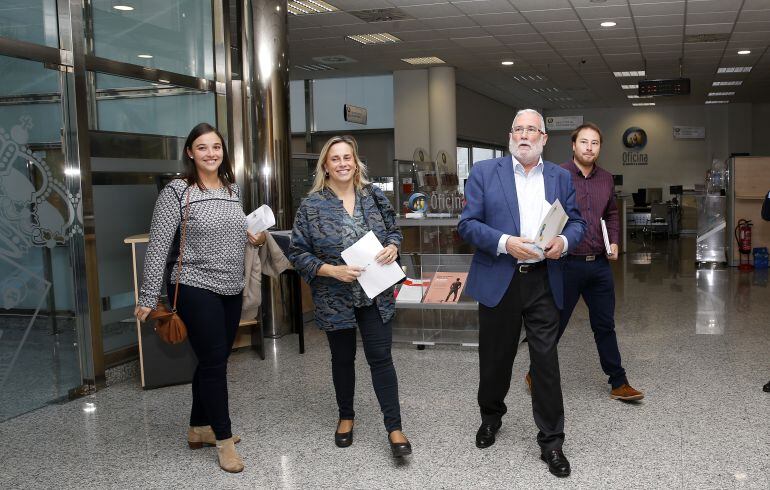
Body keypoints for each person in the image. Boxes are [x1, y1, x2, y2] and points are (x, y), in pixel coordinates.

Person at [458, 109, 585, 478]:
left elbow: (576, 222)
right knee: (495, 359)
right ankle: (491, 417)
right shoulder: (485, 173)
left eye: (532, 129)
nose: (524, 135)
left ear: (544, 138)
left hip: (544, 280)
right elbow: (467, 224)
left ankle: (552, 441)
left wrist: (563, 240)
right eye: (518, 129)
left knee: (545, 361)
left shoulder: (560, 177)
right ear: (510, 136)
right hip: (501, 278)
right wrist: (504, 242)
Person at [134, 122, 264, 474]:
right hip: (193, 284)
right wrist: (148, 295)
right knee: (213, 364)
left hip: (230, 288)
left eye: (217, 147)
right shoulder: (177, 191)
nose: (211, 153)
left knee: (214, 360)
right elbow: (159, 245)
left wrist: (250, 238)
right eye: (203, 147)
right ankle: (223, 441)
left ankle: (198, 428)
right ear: (190, 152)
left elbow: (231, 234)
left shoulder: (231, 189)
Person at [288, 135, 412, 458]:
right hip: (335, 297)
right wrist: (332, 271)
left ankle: (394, 427)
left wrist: (394, 246)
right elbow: (298, 253)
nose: (343, 163)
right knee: (342, 359)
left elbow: (394, 229)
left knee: (381, 359)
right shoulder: (311, 206)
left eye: (348, 157)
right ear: (325, 167)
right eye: (335, 159)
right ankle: (346, 416)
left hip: (374, 293)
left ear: (356, 163)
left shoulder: (373, 197)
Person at [547, 122, 644, 401]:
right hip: (566, 264)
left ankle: (618, 382)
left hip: (598, 265)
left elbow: (611, 214)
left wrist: (613, 241)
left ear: (600, 147)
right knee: (555, 325)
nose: (589, 148)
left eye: (595, 143)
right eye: (584, 142)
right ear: (573, 145)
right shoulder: (558, 175)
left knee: (604, 324)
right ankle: (536, 372)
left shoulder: (606, 178)